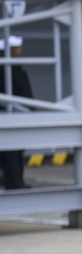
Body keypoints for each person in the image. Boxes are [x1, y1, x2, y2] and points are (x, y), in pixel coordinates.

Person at [0, 35, 33, 190]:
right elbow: (22, 91)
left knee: (11, 151)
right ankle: (14, 182)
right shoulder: (9, 69)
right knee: (13, 152)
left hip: (14, 113)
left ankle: (12, 180)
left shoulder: (14, 67)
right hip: (12, 115)